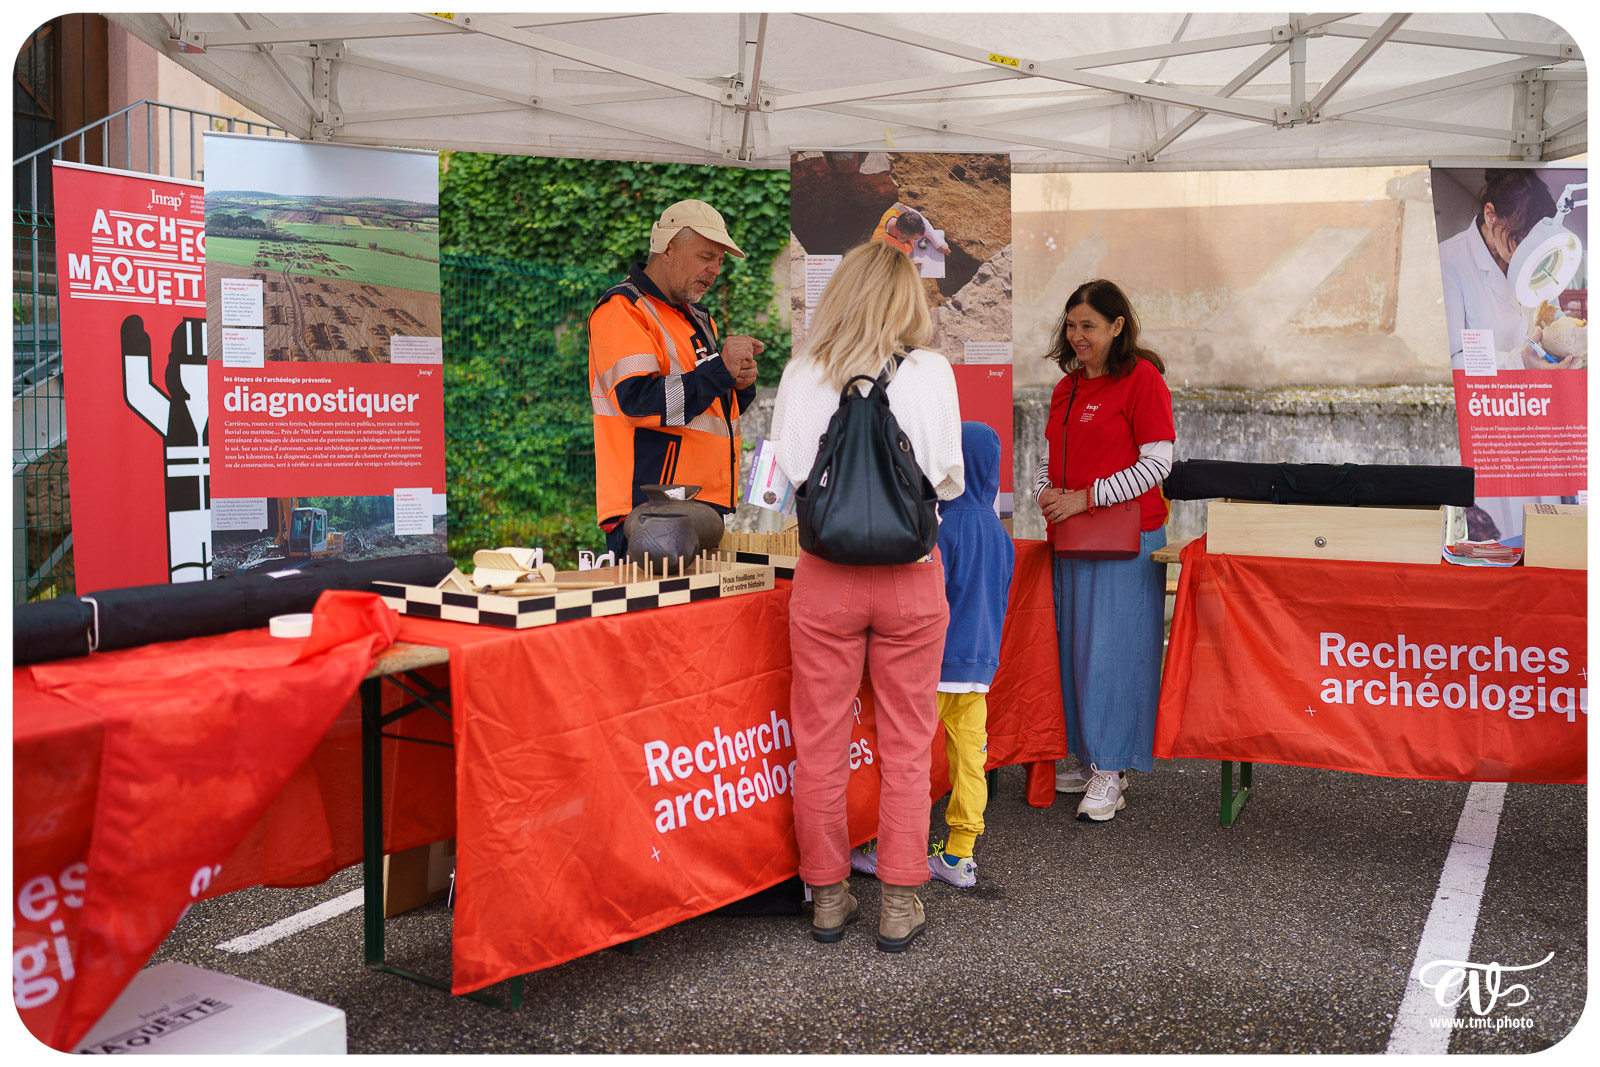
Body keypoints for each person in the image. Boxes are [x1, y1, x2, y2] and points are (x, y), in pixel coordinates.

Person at [772, 240, 964, 952]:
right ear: (906, 298)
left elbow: (791, 467)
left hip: (824, 580)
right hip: (912, 576)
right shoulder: (934, 372)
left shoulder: (802, 371)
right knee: (908, 740)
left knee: (819, 737)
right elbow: (948, 478)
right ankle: (900, 900)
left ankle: (827, 895)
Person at [1033, 279, 1174, 822]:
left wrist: (1085, 499)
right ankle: (1091, 756)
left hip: (1125, 536)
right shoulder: (1065, 388)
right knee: (1073, 647)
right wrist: (1045, 491)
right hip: (1073, 531)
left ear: (1118, 327)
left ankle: (1111, 770)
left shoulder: (1143, 380)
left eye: (1088, 325)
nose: (1076, 336)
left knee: (1113, 651)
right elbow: (1049, 455)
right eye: (1071, 325)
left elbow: (1157, 464)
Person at [588, 199, 764, 557]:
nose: (715, 269)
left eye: (720, 260)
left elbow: (707, 407)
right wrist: (719, 371)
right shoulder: (623, 309)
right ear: (667, 250)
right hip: (650, 511)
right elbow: (639, 403)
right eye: (705, 256)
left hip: (697, 507)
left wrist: (739, 385)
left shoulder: (696, 316)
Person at [928, 421, 1015, 887]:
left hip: (934, 667)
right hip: (979, 668)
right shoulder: (1001, 536)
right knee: (970, 760)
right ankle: (959, 855)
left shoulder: (941, 528)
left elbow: (928, 601)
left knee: (906, 757)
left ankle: (881, 841)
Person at [1439, 169, 1565, 370]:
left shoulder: (1535, 256)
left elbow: (1553, 319)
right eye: (1520, 238)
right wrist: (1518, 361)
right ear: (1490, 215)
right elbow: (1450, 359)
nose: (1527, 251)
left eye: (1533, 240)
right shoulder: (1449, 260)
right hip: (1484, 398)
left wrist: (1569, 341)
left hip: (1535, 395)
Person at [870, 202, 950, 258]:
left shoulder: (898, 209)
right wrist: (909, 265)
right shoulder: (878, 244)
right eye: (914, 238)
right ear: (901, 235)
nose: (919, 239)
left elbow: (922, 221)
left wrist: (938, 242)